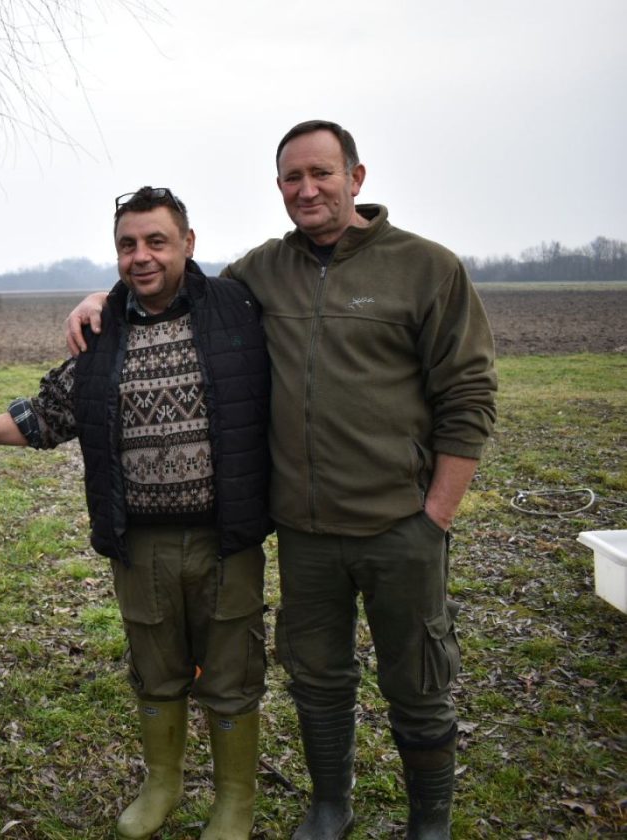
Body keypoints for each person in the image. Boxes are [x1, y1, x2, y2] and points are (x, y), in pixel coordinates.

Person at [66, 122, 498, 840]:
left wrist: (435, 517)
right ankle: (330, 805)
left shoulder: (426, 268)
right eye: (293, 178)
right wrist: (100, 298)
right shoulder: (261, 273)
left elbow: (470, 398)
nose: (308, 189)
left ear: (356, 178)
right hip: (303, 532)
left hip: (401, 526)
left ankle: (431, 823)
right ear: (279, 188)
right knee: (318, 680)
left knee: (417, 683)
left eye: (322, 174)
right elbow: (169, 281)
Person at [0, 186, 272, 840]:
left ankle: (235, 800)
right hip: (138, 544)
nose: (141, 257)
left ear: (188, 244)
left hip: (224, 537)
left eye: (156, 242)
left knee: (232, 675)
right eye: (127, 245)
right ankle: (163, 784)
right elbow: (46, 416)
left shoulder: (240, 310)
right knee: (156, 671)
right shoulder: (102, 332)